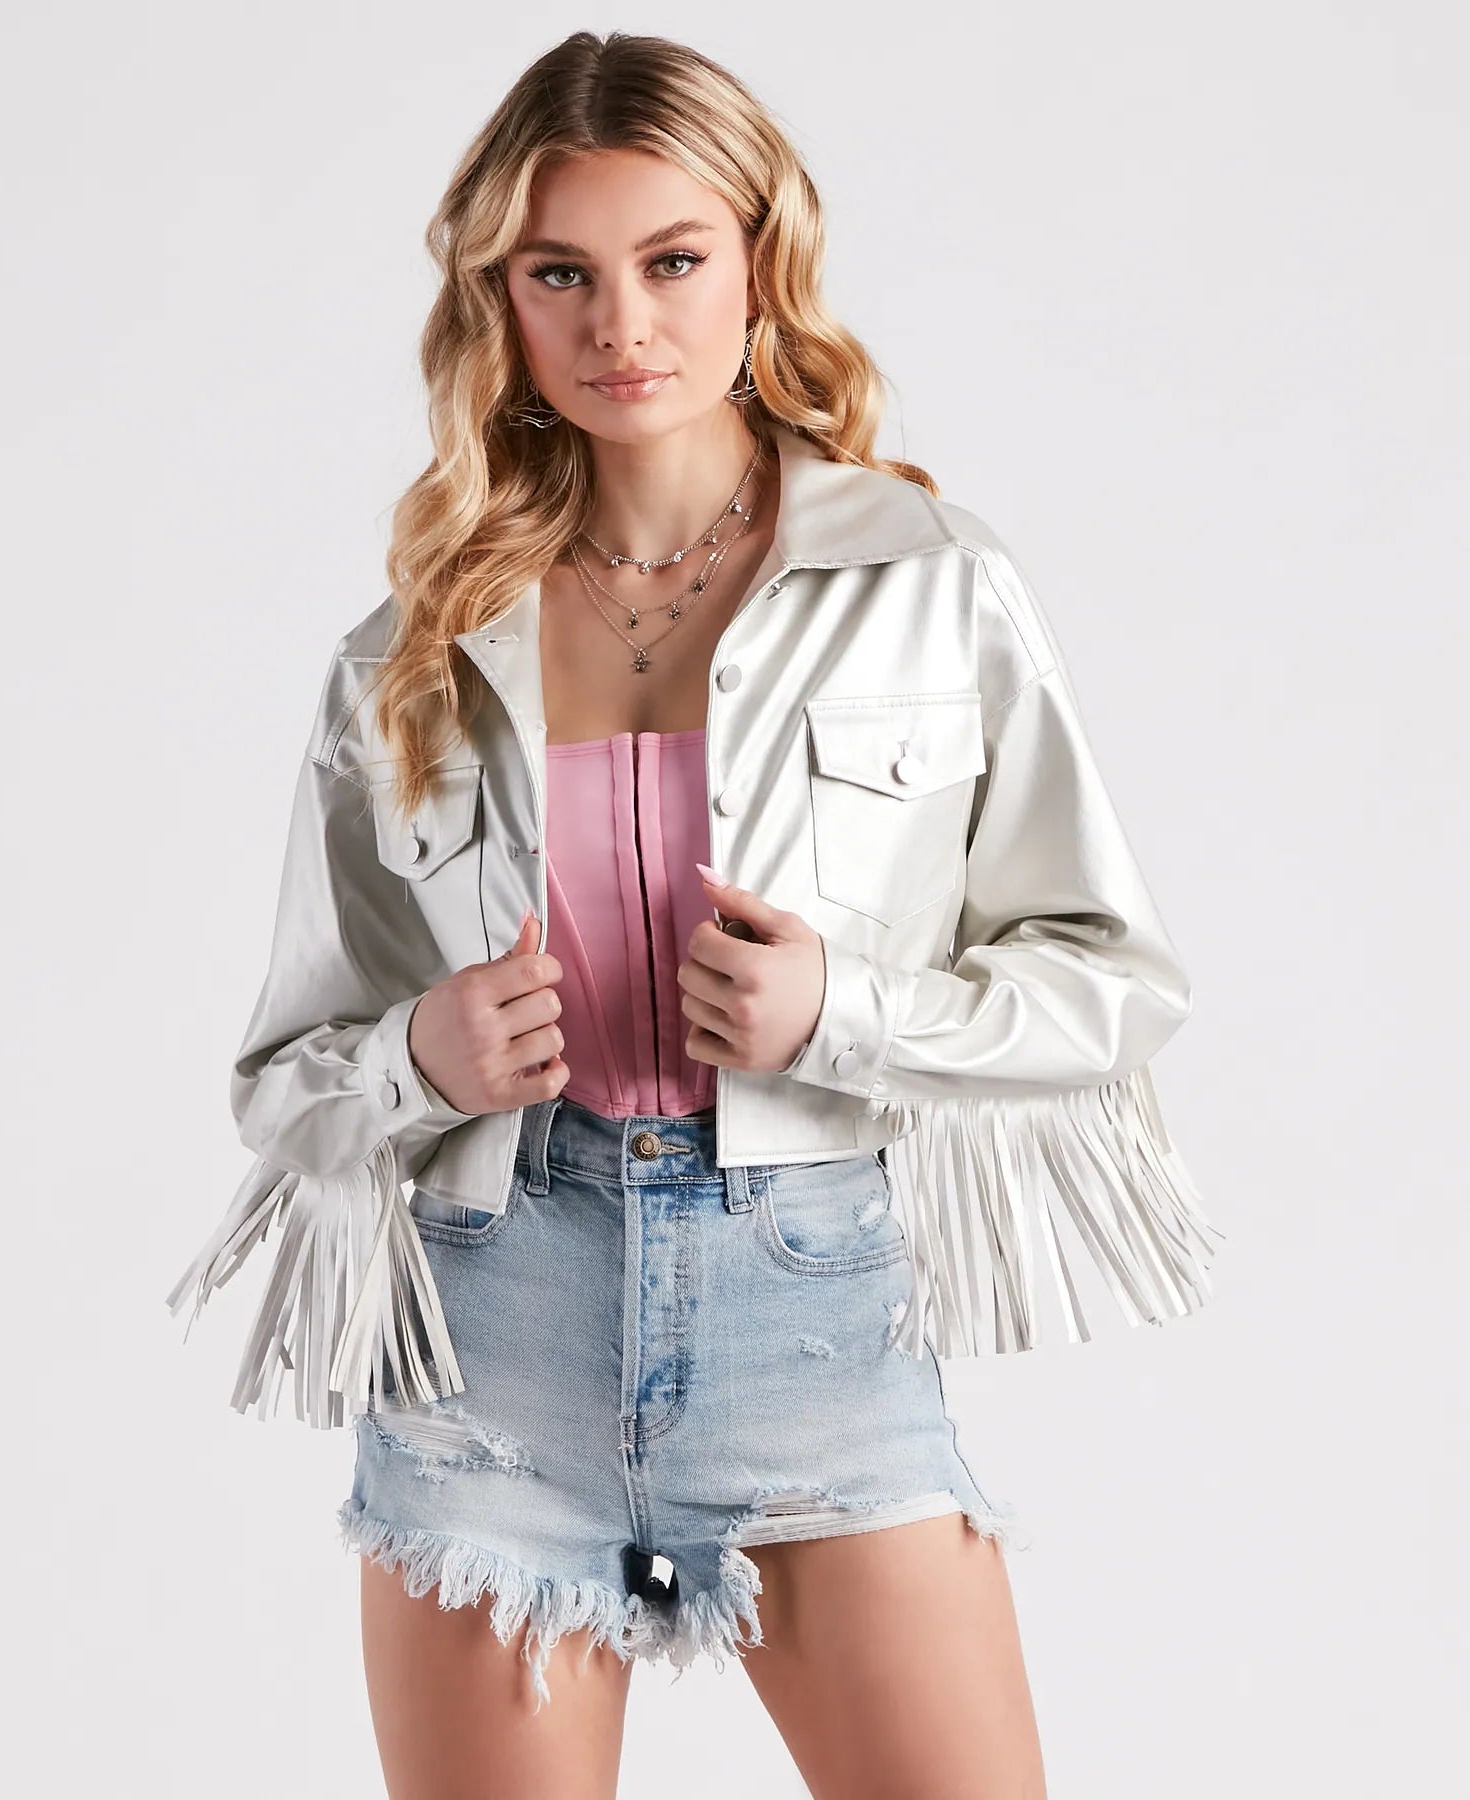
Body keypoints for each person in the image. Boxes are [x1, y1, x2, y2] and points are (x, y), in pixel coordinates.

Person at [167, 29, 1223, 1799]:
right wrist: (423, 1056)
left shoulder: (926, 582)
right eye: (558, 274)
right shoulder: (415, 647)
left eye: (670, 261)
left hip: (808, 1312)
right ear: (497, 298)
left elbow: (1113, 982)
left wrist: (844, 1011)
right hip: (489, 1330)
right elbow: (284, 1080)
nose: (619, 325)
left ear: (758, 259)